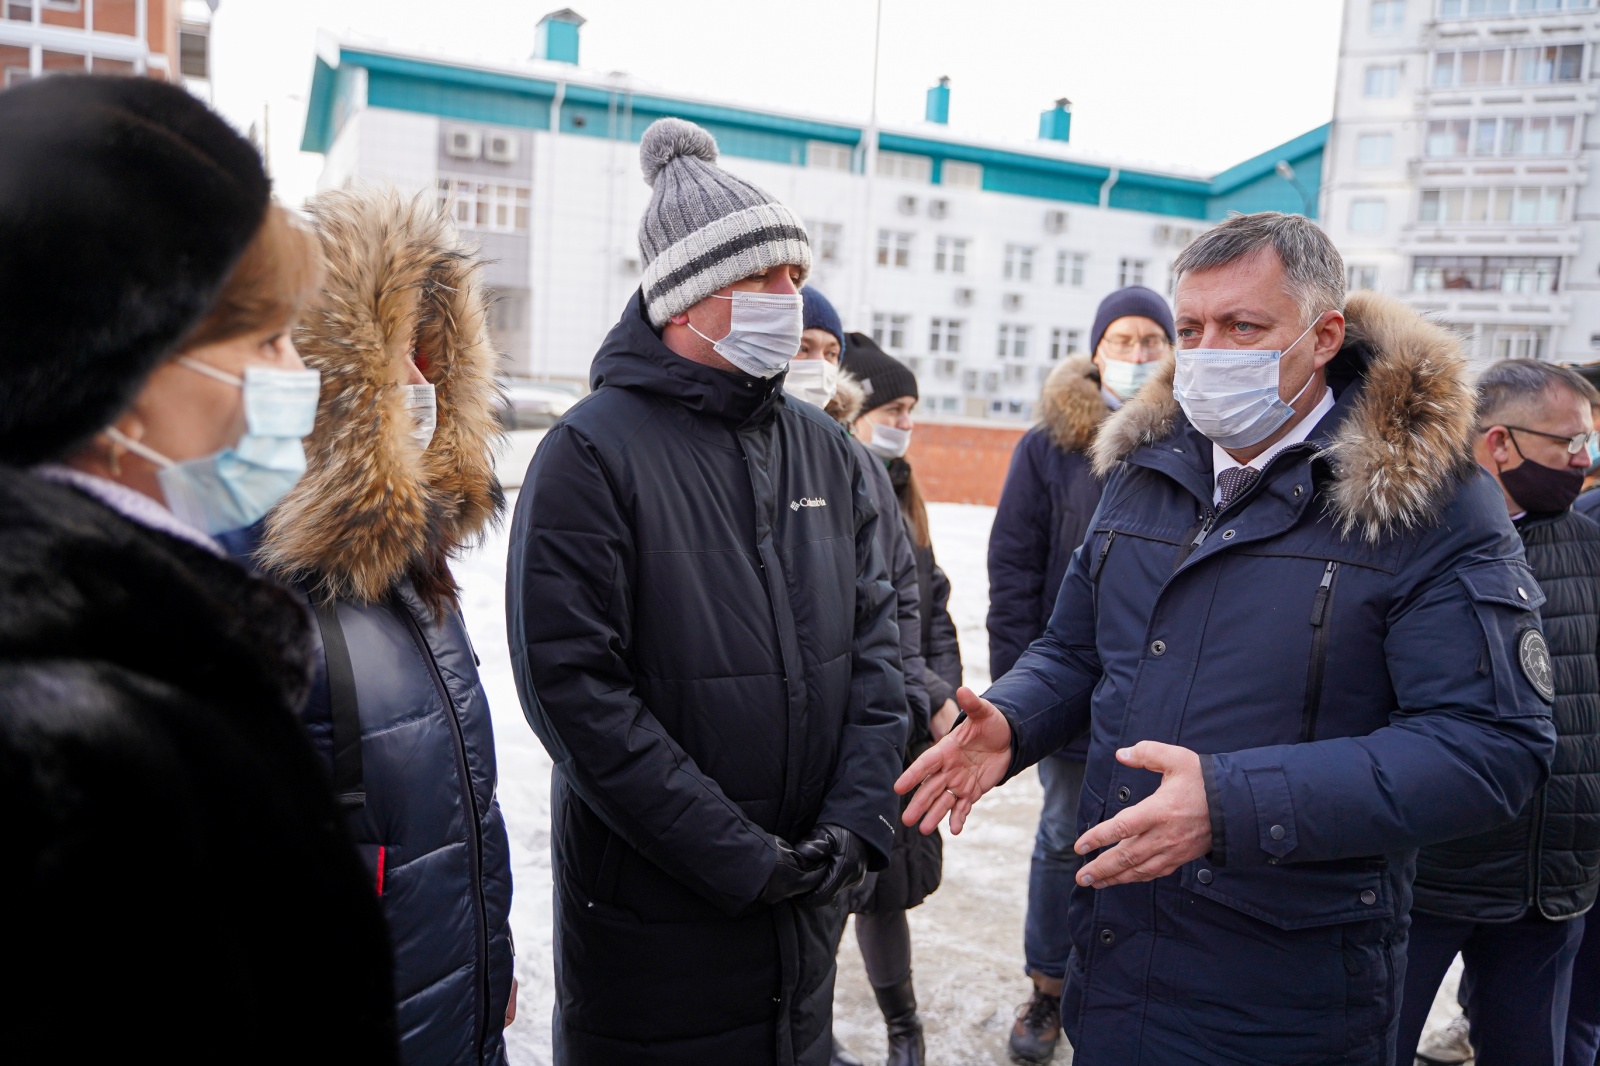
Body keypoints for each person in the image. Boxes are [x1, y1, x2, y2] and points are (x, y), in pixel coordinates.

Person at [896, 211, 1557, 1065]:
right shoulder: (1148, 468)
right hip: (1117, 959)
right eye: (1194, 328)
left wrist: (1236, 803)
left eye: (1244, 327)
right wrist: (1015, 717)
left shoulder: (1426, 501)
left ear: (1323, 337)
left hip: (1287, 988)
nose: (1209, 353)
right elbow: (1077, 650)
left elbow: (1491, 747)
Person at [0, 76, 397, 1063]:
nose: (295, 377)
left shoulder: (141, 626)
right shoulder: (73, 728)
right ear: (122, 380)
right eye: (264, 341)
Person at [506, 118, 906, 1066]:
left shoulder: (830, 454)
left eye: (795, 274)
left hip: (804, 913)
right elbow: (575, 694)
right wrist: (739, 859)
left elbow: (877, 651)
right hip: (655, 928)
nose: (790, 297)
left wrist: (854, 827)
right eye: (762, 279)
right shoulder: (591, 454)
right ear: (686, 299)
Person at [224, 189, 517, 1065]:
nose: (421, 389)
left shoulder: (413, 573)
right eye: (397, 359)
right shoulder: (251, 586)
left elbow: (468, 806)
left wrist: (488, 965)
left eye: (433, 360)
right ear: (324, 376)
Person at [985, 286, 1172, 1064]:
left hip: (1164, 699)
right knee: (1065, 839)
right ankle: (1050, 985)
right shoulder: (1048, 448)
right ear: (1096, 351)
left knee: (1158, 847)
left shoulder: (1185, 442)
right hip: (1070, 699)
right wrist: (1020, 706)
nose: (1137, 355)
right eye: (1122, 340)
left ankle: (1138, 989)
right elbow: (1013, 573)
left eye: (1153, 340)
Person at [1397, 361, 1600, 1066]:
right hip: (1431, 870)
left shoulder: (1590, 548)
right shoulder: (1410, 540)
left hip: (1551, 886)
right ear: (1499, 443)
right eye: (1569, 444)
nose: (1584, 462)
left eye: (1589, 447)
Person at [788, 289, 934, 1066]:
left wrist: (911, 698)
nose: (813, 363)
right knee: (813, 901)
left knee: (878, 886)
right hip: (797, 732)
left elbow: (905, 593)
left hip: (874, 725)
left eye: (825, 349)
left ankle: (901, 1028)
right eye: (800, 345)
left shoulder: (852, 462)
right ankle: (815, 1032)